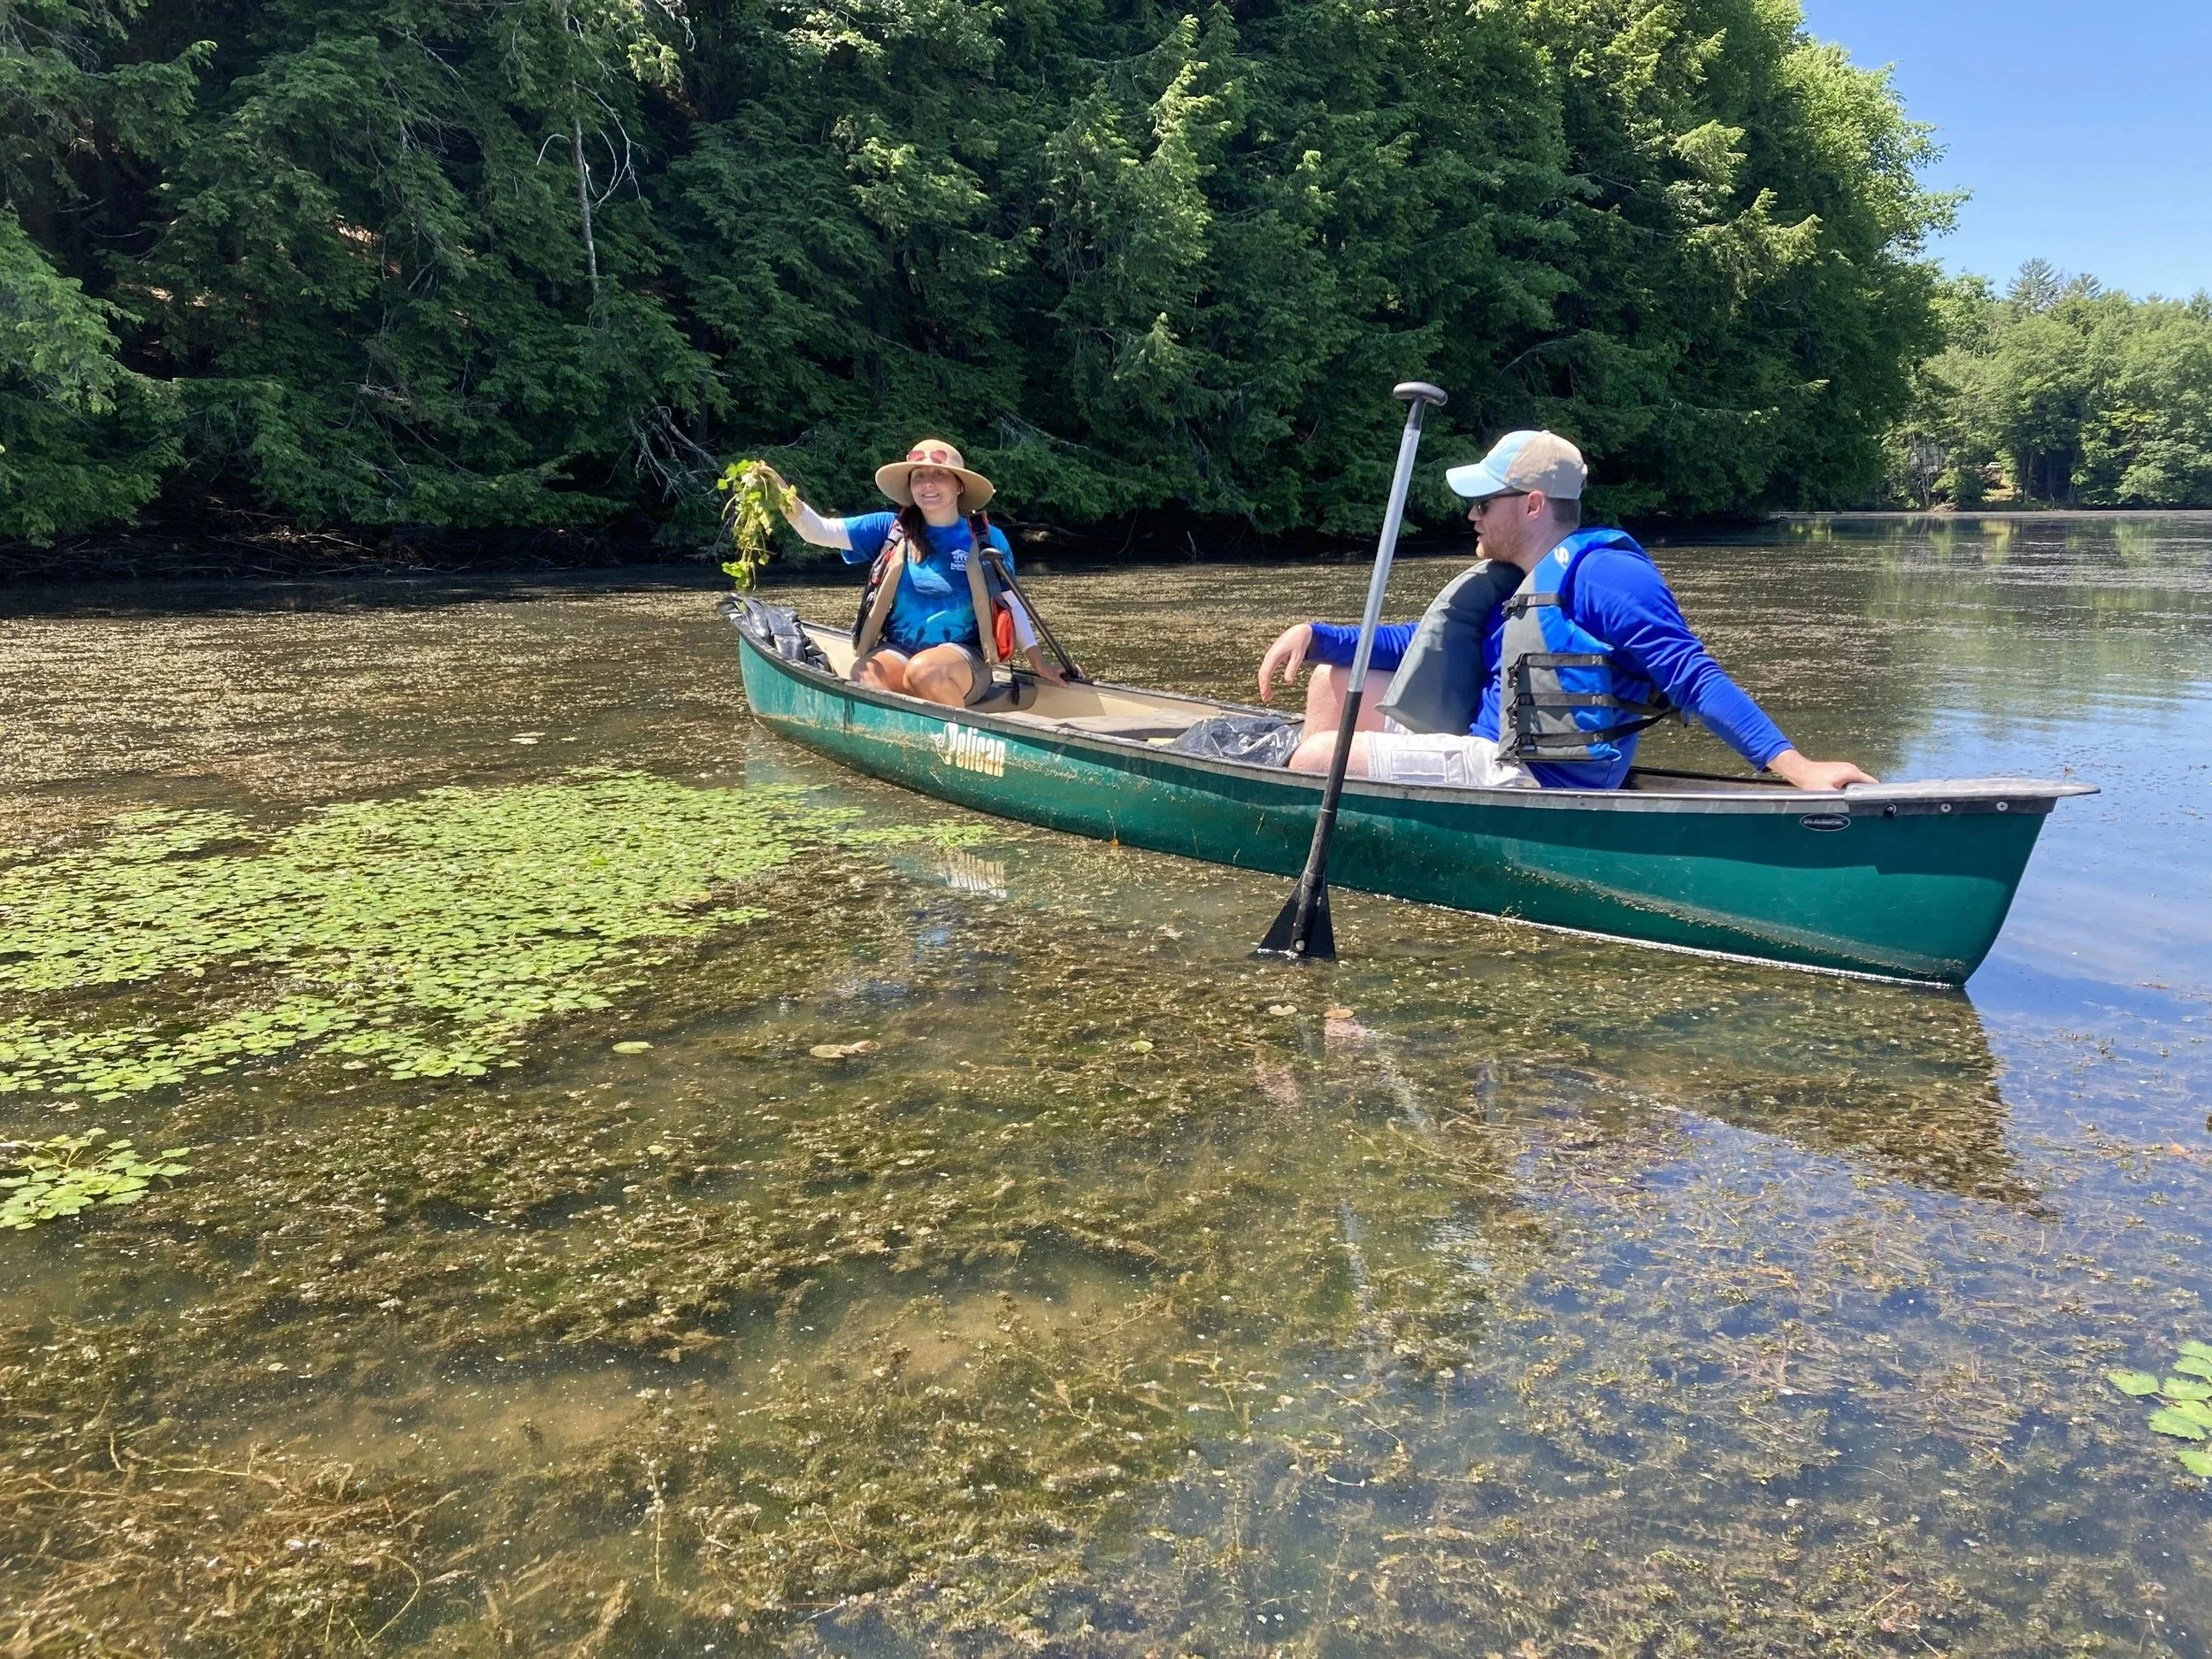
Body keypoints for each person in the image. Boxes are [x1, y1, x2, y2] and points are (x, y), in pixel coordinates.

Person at [1256, 429, 1876, 792]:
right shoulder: (1518, 578)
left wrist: (1795, 766)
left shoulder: (1605, 576)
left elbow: (1693, 676)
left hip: (1532, 775)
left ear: (1531, 505)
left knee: (1315, 758)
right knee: (1334, 677)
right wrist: (1316, 634)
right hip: (1487, 747)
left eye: (1483, 502)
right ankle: (1346, 825)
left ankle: (1331, 811)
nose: (1471, 514)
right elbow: (1420, 641)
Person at [762, 439, 1064, 707]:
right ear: (910, 487)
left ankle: (953, 740)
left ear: (959, 486)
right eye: (919, 476)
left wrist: (1038, 662)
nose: (927, 484)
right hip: (900, 650)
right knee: (865, 676)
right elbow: (817, 531)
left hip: (965, 657)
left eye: (939, 475)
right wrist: (780, 493)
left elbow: (1011, 604)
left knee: (925, 671)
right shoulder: (889, 528)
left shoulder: (988, 539)